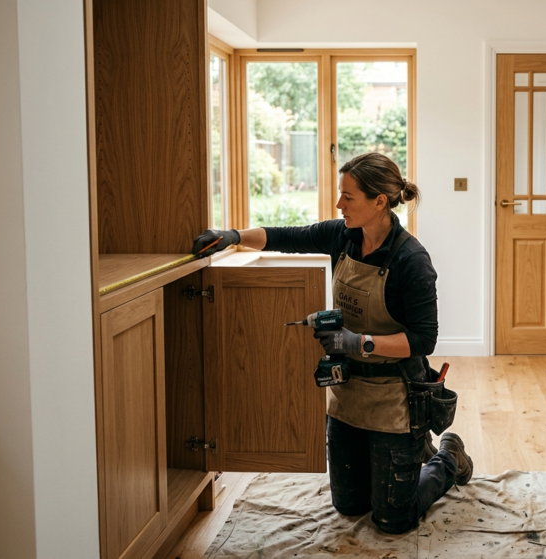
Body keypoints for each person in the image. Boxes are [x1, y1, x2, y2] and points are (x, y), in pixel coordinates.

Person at [191, 152, 473, 535]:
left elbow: (424, 339)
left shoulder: (411, 260)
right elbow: (284, 236)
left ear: (379, 201)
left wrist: (360, 343)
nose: (339, 204)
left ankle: (448, 456)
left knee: (394, 519)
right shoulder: (343, 236)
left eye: (348, 196)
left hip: (395, 399)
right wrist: (233, 236)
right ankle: (398, 464)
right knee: (348, 505)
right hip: (347, 394)